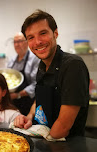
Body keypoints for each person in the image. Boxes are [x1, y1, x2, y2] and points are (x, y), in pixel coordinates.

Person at [14, 9, 90, 139]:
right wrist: (30, 117)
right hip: (44, 135)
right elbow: (40, 98)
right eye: (31, 37)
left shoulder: (73, 65)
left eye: (43, 33)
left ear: (55, 33)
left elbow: (63, 127)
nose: (37, 42)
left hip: (65, 144)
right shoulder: (42, 65)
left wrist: (36, 142)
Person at [7, 32, 40, 116]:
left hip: (30, 102)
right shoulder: (11, 61)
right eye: (15, 42)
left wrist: (18, 94)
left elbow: (36, 84)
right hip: (14, 103)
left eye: (20, 41)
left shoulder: (35, 59)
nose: (17, 45)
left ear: (27, 42)